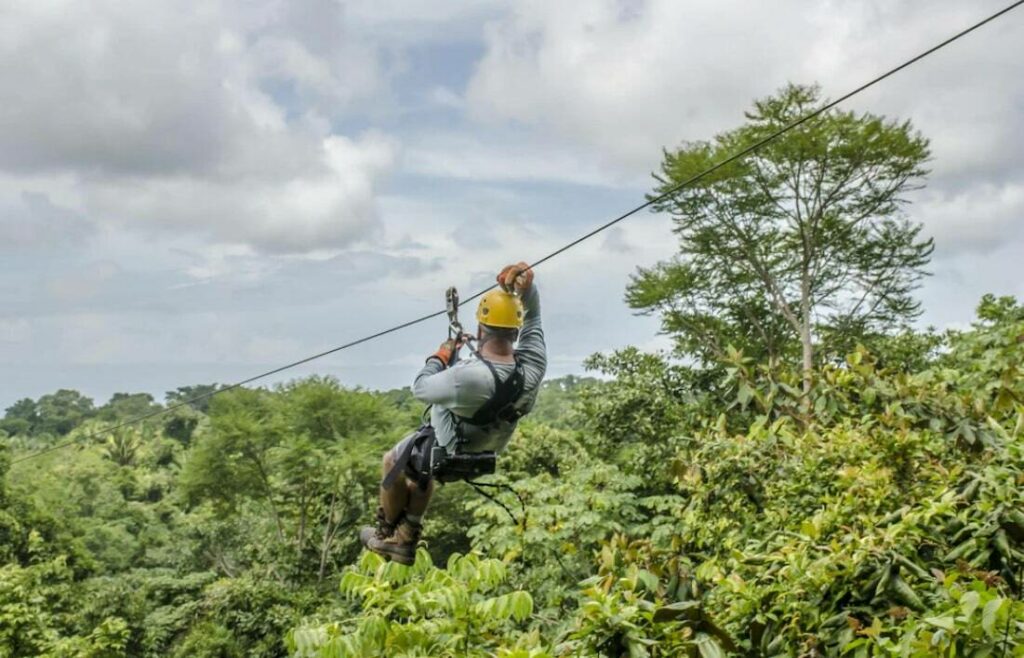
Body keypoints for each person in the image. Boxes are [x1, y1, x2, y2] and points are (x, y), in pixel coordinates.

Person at [359, 262, 547, 564]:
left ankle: (387, 537)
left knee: (392, 461)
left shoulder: (467, 378)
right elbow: (534, 318)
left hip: (453, 444)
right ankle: (407, 533)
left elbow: (420, 387)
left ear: (480, 329)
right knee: (420, 469)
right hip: (490, 446)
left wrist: (441, 355)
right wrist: (527, 288)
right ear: (516, 330)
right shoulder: (532, 367)